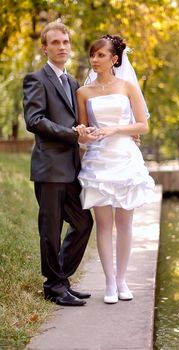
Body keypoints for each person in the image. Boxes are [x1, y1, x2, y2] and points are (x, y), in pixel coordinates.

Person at [75, 35, 157, 304]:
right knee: (104, 224)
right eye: (92, 55)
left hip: (125, 157)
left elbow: (143, 125)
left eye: (100, 55)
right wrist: (84, 134)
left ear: (115, 59)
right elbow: (83, 134)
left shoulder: (128, 87)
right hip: (98, 161)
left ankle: (122, 280)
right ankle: (109, 282)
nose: (94, 60)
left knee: (125, 223)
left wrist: (116, 129)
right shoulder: (83, 93)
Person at [23, 21, 96, 306]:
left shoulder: (73, 82)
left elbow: (79, 121)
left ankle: (60, 280)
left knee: (82, 222)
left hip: (71, 169)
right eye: (55, 43)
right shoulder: (35, 79)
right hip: (50, 168)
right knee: (51, 230)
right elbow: (34, 121)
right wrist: (73, 135)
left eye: (65, 42)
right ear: (45, 48)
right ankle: (54, 288)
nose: (62, 47)